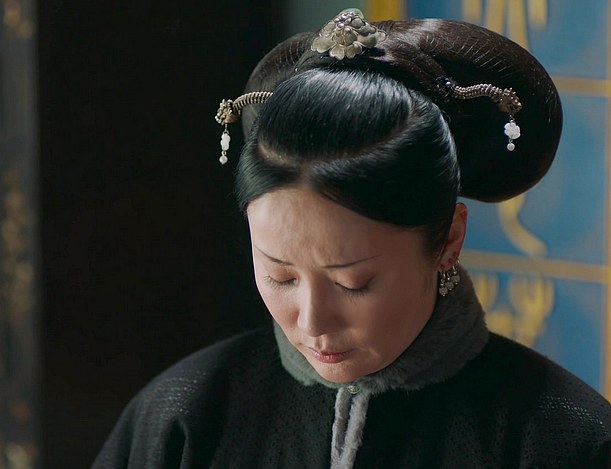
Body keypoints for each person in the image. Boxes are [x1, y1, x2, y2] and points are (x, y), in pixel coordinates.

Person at [92, 9, 611, 468]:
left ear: (449, 240)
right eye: (279, 275)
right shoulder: (186, 414)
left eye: (353, 283)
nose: (312, 321)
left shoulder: (560, 440)